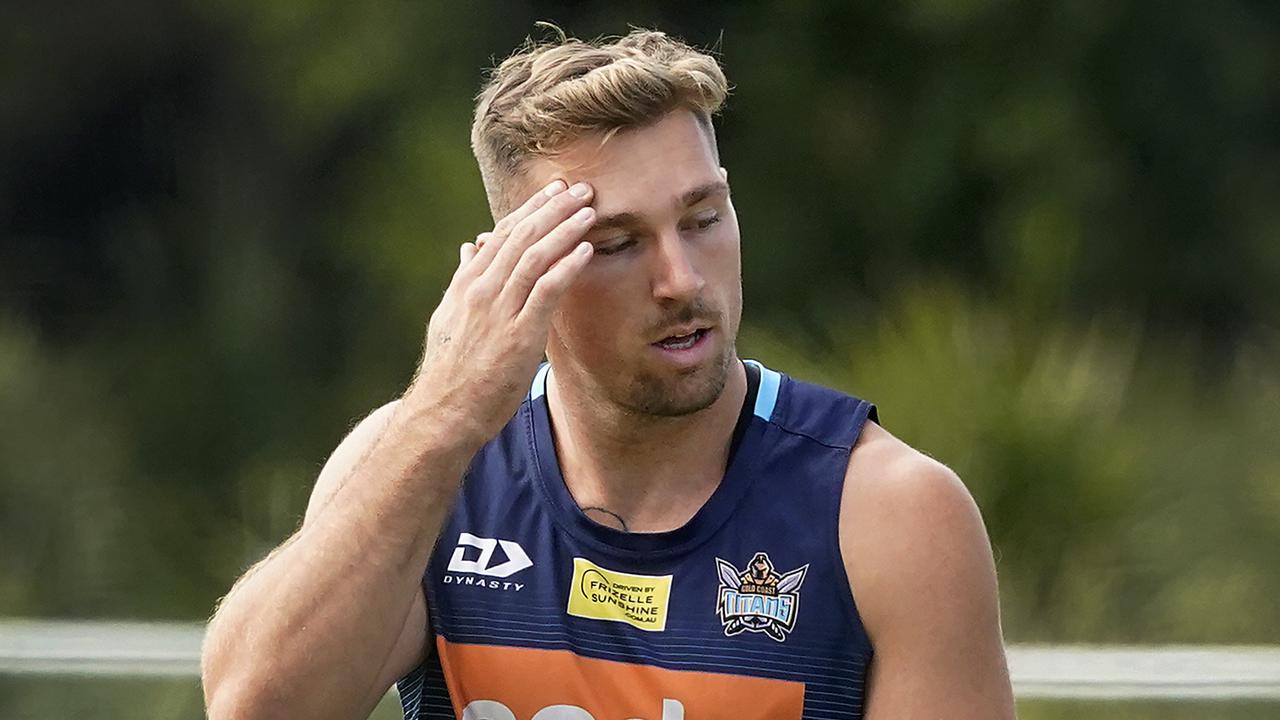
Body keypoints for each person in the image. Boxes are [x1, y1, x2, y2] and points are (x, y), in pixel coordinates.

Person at [201, 27, 1016, 720]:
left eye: (702, 219)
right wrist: (441, 417)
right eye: (619, 243)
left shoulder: (891, 513)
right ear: (517, 270)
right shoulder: (423, 470)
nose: (682, 280)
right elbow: (253, 706)